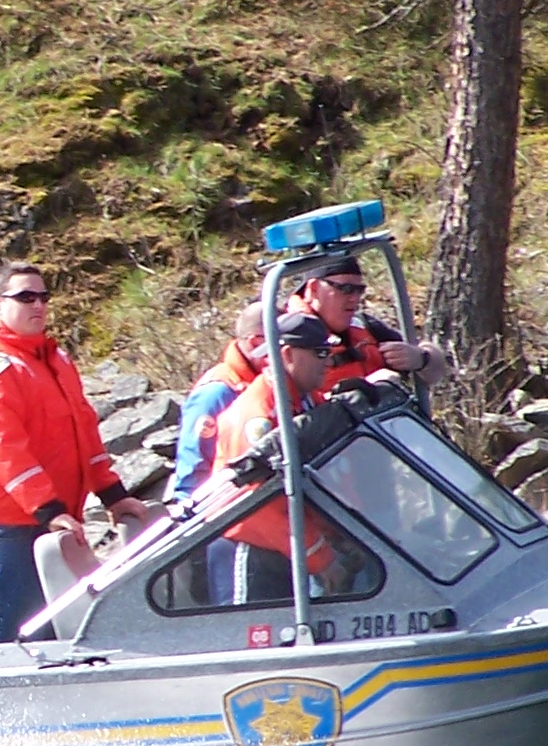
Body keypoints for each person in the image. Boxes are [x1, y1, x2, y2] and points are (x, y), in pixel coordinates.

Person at [0, 261, 150, 645]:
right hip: (7, 528)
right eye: (25, 297)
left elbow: (84, 431)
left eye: (43, 297)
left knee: (53, 635)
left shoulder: (53, 362)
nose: (37, 305)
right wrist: (48, 509)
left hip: (52, 522)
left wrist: (112, 494)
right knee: (6, 642)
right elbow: (1, 447)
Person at [201, 311, 342, 607]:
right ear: (288, 355)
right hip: (251, 549)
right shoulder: (258, 417)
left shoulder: (304, 400)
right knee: (248, 643)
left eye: (330, 352)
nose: (329, 362)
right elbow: (257, 505)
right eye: (320, 353)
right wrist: (320, 557)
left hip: (290, 547)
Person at [290, 254, 451, 391]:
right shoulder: (288, 339)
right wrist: (365, 391)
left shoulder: (365, 326)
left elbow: (438, 369)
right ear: (314, 289)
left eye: (359, 290)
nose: (355, 298)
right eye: (346, 289)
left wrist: (422, 358)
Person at [168, 301, 268, 502]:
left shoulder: (272, 383)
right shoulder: (215, 394)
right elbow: (192, 477)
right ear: (257, 342)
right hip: (231, 509)